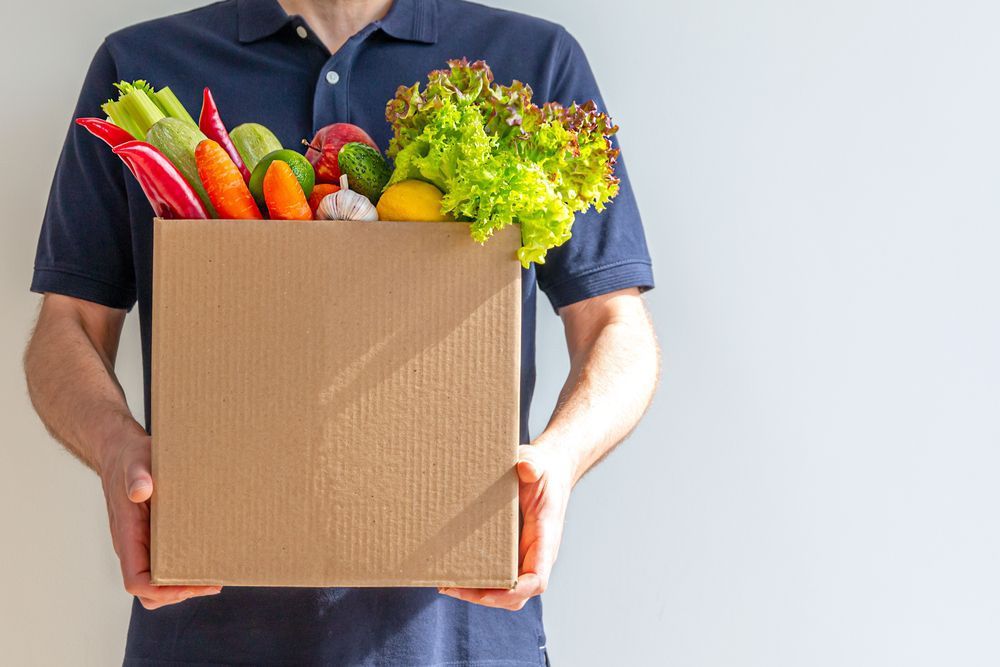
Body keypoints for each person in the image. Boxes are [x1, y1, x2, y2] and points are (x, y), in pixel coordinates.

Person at [24, 0, 659, 663]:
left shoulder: (533, 61)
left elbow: (616, 324)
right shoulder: (146, 66)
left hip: (458, 640)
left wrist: (563, 455)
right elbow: (67, 326)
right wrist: (114, 447)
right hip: (206, 634)